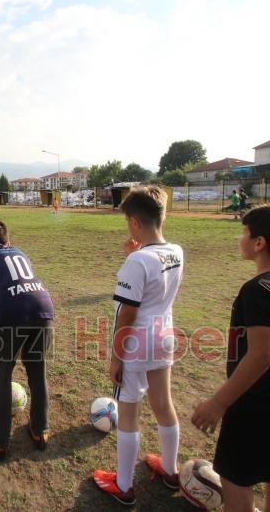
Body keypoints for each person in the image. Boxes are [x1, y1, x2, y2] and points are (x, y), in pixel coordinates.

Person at [191, 204, 270, 512]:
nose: (239, 239)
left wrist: (218, 403)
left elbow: (260, 356)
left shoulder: (258, 289)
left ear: (260, 243)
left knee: (235, 478)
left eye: (244, 233)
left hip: (257, 400)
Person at [93, 186, 185, 508]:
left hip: (136, 342)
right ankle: (171, 470)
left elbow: (128, 313)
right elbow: (152, 280)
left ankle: (123, 485)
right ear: (163, 215)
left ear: (134, 222)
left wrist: (117, 356)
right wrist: (134, 255)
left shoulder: (137, 262)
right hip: (164, 335)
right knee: (163, 403)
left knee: (129, 412)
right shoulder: (176, 251)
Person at [0, 219, 55, 459]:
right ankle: (41, 431)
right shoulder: (20, 251)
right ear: (8, 241)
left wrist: (0, 340)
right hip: (43, 307)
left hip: (12, 312)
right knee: (37, 369)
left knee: (1, 372)